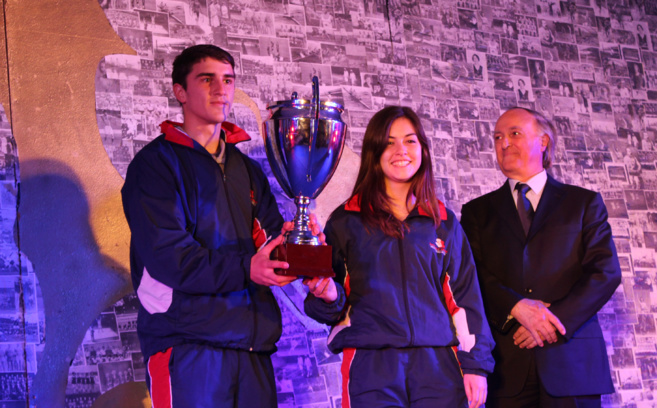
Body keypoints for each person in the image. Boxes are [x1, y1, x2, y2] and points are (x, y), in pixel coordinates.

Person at [121, 44, 303, 407]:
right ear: (180, 92)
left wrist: (296, 243)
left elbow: (266, 243)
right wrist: (248, 268)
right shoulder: (154, 166)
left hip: (252, 347)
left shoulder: (247, 170)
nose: (221, 90)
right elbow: (170, 258)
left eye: (228, 80)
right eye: (207, 79)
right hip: (187, 344)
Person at [303, 106, 495, 408]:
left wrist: (476, 365)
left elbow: (466, 299)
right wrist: (326, 295)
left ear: (423, 150)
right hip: (371, 365)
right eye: (389, 142)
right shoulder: (345, 221)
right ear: (374, 151)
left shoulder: (442, 220)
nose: (400, 150)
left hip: (439, 365)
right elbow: (329, 305)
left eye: (410, 141)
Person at [460, 107, 622, 408]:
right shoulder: (476, 212)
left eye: (514, 133)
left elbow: (605, 272)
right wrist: (516, 307)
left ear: (543, 141)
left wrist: (553, 321)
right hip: (507, 370)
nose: (504, 142)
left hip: (573, 366)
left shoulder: (583, 203)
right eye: (498, 137)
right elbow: (472, 276)